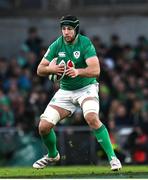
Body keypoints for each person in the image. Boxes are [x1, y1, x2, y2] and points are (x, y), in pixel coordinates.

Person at [33, 15, 122, 171]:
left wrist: (78, 71)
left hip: (86, 88)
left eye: (69, 29)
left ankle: (112, 158)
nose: (66, 32)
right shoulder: (56, 44)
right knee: (43, 127)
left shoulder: (85, 43)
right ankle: (53, 155)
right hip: (65, 91)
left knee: (91, 118)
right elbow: (40, 69)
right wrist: (51, 69)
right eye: (63, 29)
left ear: (76, 29)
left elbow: (96, 70)